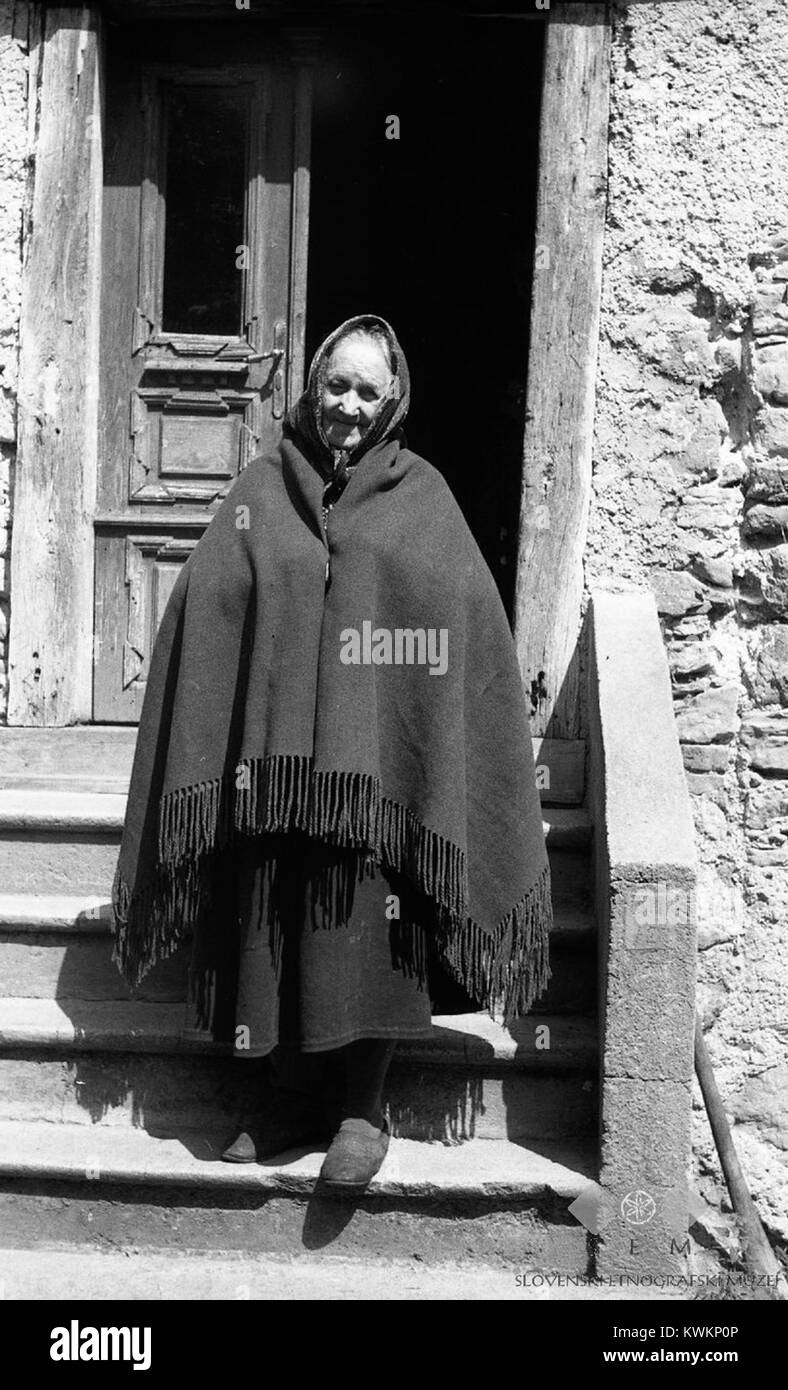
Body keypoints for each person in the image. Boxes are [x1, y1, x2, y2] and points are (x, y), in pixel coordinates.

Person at [112, 314, 552, 1191]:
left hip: (373, 783)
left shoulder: (421, 496)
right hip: (273, 777)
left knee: (365, 924)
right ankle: (281, 1098)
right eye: (336, 386)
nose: (349, 405)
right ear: (313, 389)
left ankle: (360, 1107)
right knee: (269, 915)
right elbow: (209, 595)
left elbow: (461, 619)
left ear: (394, 400)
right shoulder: (261, 486)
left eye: (367, 391)